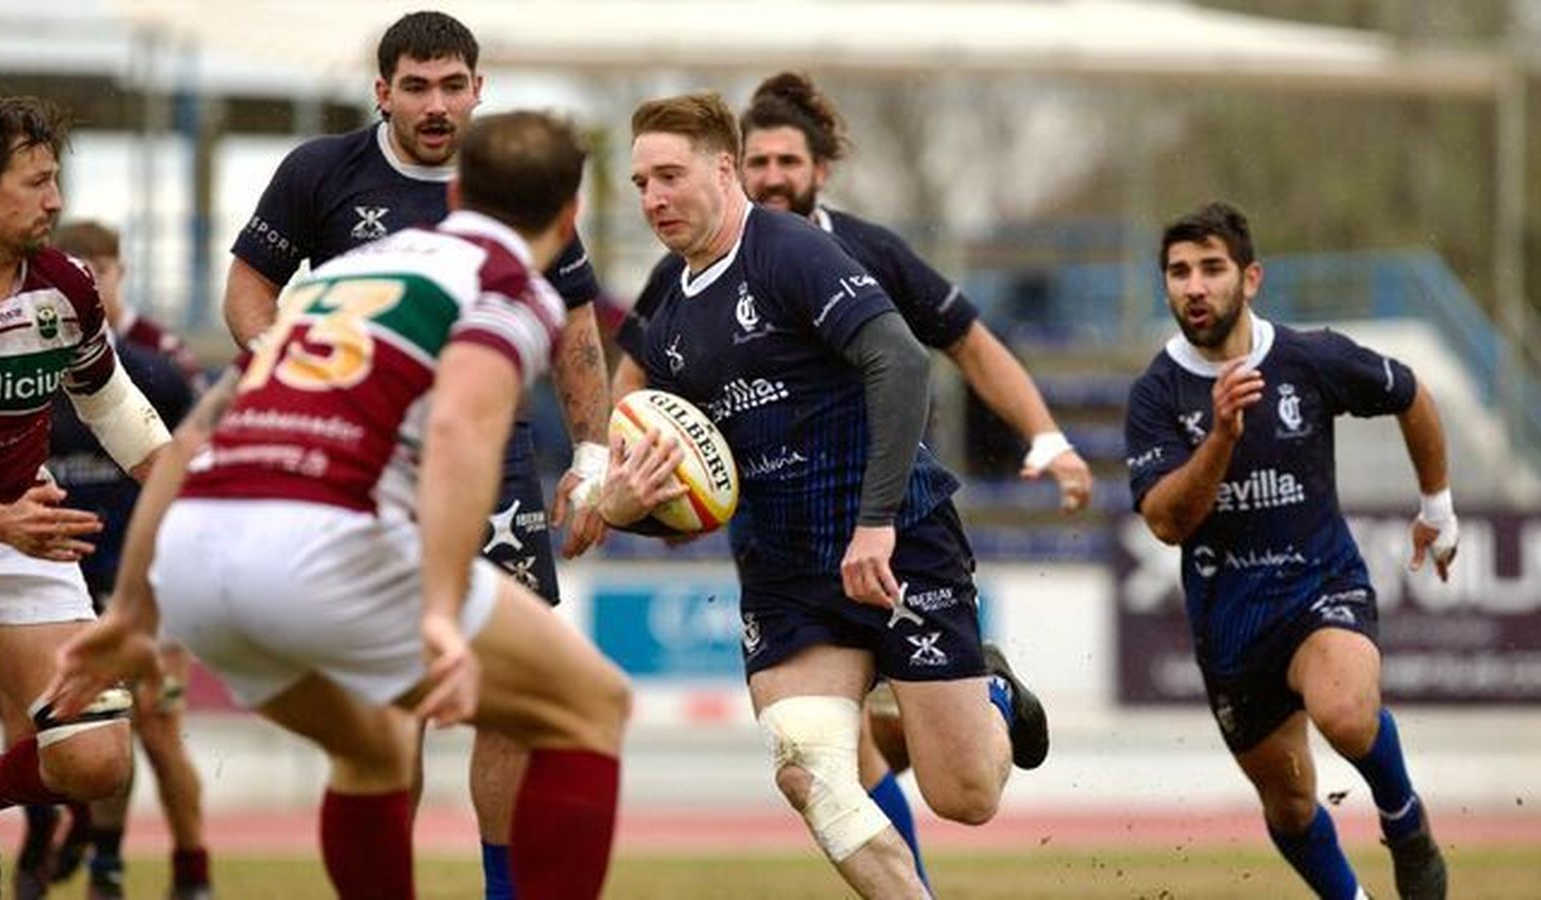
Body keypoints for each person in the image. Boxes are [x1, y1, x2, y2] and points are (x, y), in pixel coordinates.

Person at [49, 110, 630, 900]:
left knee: (374, 751)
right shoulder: (509, 285)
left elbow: (193, 437)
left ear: (456, 191)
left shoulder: (340, 276)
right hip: (316, 548)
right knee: (593, 705)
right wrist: (434, 612)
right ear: (569, 218)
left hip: (193, 560)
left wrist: (131, 614)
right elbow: (464, 425)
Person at [615, 71, 1092, 886]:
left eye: (670, 176)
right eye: (640, 184)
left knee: (966, 795)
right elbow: (667, 454)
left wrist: (879, 522)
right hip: (786, 571)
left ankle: (995, 699)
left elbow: (904, 361)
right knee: (811, 774)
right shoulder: (669, 305)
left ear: (721, 172)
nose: (653, 198)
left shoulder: (793, 250)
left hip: (895, 539)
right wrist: (621, 499)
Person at [219, 13, 614, 897]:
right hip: (365, 469)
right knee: (390, 705)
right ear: (382, 91)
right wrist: (286, 368)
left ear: (480, 88)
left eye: (452, 86)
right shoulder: (320, 172)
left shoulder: (512, 180)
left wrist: (592, 453)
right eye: (417, 87)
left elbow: (578, 329)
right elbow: (248, 287)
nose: (436, 107)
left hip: (495, 463)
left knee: (511, 700)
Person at [1124, 201, 1454, 900]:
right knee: (1291, 804)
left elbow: (1412, 395)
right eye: (1179, 272)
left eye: (1212, 269)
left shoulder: (1308, 358)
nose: (1195, 286)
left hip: (1319, 587)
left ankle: (1403, 818)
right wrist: (1220, 435)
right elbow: (1166, 522)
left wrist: (1438, 507)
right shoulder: (1156, 393)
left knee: (1344, 712)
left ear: (1251, 279)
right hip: (1231, 626)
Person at [0, 79, 174, 900]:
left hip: (19, 530)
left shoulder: (67, 285)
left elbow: (112, 406)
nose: (57, 199)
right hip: (0, 523)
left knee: (96, 759)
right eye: (36, 181)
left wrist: (197, 502)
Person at [11, 220, 210, 900]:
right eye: (79, 265)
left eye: (102, 266)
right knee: (25, 716)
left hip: (143, 574)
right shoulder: (28, 346)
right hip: (52, 564)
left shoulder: (160, 359)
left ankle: (183, 870)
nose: (90, 279)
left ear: (120, 271)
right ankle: (43, 838)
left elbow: (193, 461)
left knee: (154, 726)